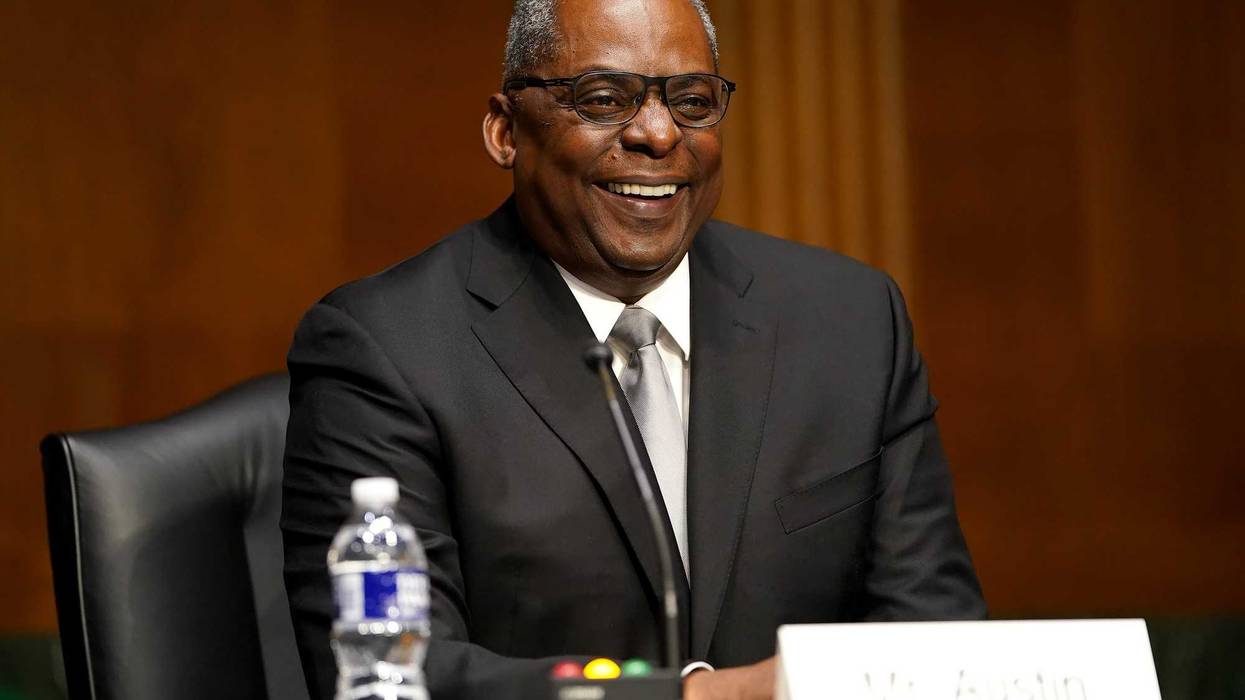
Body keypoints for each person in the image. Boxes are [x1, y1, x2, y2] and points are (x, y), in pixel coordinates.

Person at [280, 0, 987, 698]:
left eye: (691, 100)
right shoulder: (385, 348)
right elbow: (396, 674)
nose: (657, 133)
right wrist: (700, 698)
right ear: (504, 130)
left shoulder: (846, 320)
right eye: (602, 98)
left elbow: (932, 630)